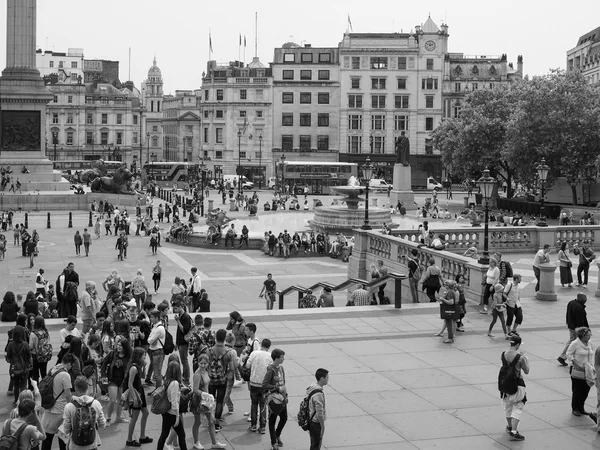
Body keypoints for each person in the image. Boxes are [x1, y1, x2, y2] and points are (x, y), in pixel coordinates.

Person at [62, 375, 106, 450]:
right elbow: (102, 425)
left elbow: (66, 429)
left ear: (75, 388)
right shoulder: (96, 403)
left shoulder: (69, 406)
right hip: (92, 444)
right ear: (87, 388)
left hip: (75, 445)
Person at [40, 354, 74, 450]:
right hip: (60, 410)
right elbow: (67, 394)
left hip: (49, 407)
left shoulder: (52, 369)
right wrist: (71, 406)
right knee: (63, 438)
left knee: (47, 439)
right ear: (68, 364)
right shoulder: (65, 375)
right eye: (71, 365)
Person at [501, 335, 529, 441]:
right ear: (517, 344)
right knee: (518, 405)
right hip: (517, 384)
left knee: (507, 405)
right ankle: (514, 431)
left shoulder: (503, 354)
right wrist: (525, 358)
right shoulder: (520, 357)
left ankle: (509, 426)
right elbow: (527, 371)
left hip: (505, 384)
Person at [124, 348, 152, 447]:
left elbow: (143, 377)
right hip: (136, 394)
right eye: (143, 355)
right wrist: (135, 398)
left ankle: (142, 436)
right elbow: (129, 384)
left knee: (146, 413)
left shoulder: (138, 366)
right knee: (134, 417)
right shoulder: (133, 368)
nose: (145, 357)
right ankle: (129, 440)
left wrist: (144, 367)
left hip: (140, 393)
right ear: (138, 356)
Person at [156, 362, 188, 450]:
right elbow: (174, 402)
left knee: (164, 434)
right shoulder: (175, 383)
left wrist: (180, 389)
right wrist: (177, 416)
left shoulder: (167, 381)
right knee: (182, 435)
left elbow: (170, 393)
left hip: (166, 412)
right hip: (172, 413)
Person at [566, 327, 596, 419]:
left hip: (588, 370)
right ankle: (575, 408)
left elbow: (591, 355)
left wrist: (592, 367)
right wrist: (575, 362)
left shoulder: (590, 343)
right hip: (578, 370)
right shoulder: (575, 343)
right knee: (577, 390)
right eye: (587, 335)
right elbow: (568, 353)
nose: (589, 336)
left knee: (585, 390)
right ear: (582, 336)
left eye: (590, 335)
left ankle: (581, 407)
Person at [101, 338, 132, 424]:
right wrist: (103, 375)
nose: (118, 347)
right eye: (118, 345)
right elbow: (104, 363)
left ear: (125, 347)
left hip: (123, 380)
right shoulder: (112, 354)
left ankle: (118, 417)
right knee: (113, 399)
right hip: (113, 379)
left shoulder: (128, 356)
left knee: (120, 400)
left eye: (121, 345)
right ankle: (108, 418)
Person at [263, 348, 288, 450]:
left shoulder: (281, 368)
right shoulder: (271, 369)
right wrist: (276, 388)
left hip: (282, 397)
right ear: (276, 358)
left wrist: (285, 395)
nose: (283, 359)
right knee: (272, 420)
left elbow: (283, 382)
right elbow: (264, 384)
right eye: (282, 357)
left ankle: (277, 435)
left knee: (284, 417)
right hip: (274, 399)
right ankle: (274, 442)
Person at [558, 293, 590, 366]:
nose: (585, 301)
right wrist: (584, 330)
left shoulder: (571, 302)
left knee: (572, 341)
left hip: (571, 325)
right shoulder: (579, 308)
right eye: (584, 300)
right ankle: (563, 357)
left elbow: (568, 314)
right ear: (580, 299)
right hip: (576, 328)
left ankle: (564, 357)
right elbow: (581, 321)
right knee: (573, 343)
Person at [7, 325, 32, 406]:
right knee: (23, 385)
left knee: (16, 385)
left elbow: (8, 358)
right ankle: (23, 402)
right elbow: (29, 357)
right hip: (24, 368)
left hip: (14, 368)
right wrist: (30, 365)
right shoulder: (25, 344)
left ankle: (16, 401)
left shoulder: (10, 344)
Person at [307, 368, 329, 450]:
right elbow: (319, 412)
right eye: (327, 377)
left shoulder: (313, 387)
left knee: (313, 444)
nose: (328, 379)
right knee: (316, 446)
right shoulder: (318, 394)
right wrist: (322, 426)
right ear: (322, 378)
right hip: (316, 423)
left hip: (311, 420)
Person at [173, 299, 192, 385]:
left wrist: (177, 321)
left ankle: (187, 378)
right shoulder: (181, 315)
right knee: (183, 360)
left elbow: (184, 330)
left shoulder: (185, 317)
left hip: (184, 343)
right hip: (180, 342)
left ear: (180, 307)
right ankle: (185, 376)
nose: (174, 310)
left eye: (176, 308)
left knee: (184, 361)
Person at [146, 310, 166, 387]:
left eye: (152, 317)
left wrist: (151, 338)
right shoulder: (155, 326)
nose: (150, 319)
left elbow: (149, 340)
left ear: (157, 318)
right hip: (154, 351)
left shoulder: (159, 328)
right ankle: (157, 389)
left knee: (157, 374)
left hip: (158, 352)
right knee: (157, 372)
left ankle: (158, 390)